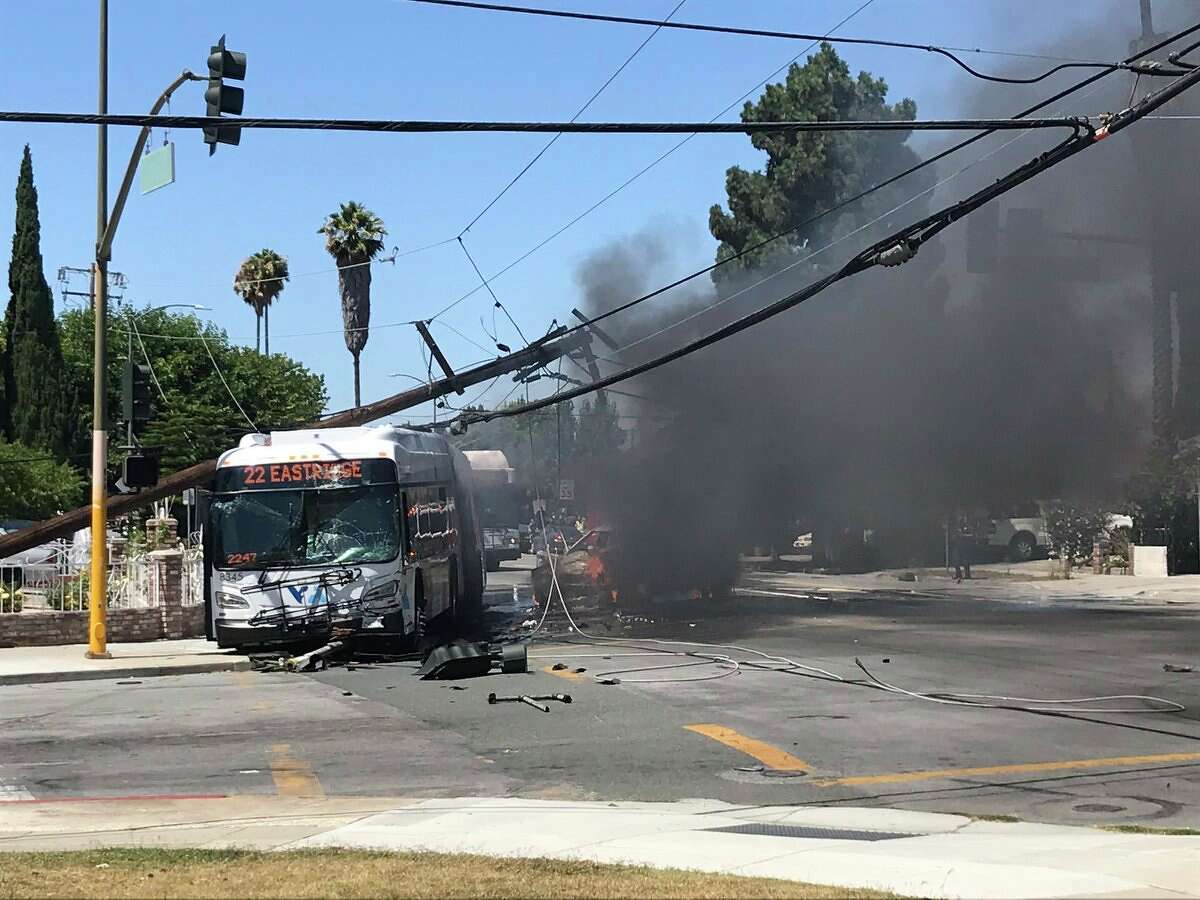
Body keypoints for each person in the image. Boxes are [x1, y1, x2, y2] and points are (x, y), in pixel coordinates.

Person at [950, 513, 974, 582]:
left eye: (962, 518)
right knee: (955, 559)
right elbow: (954, 534)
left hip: (965, 545)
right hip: (957, 545)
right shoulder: (957, 527)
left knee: (965, 560)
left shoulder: (968, 526)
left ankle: (967, 574)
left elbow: (972, 535)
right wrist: (954, 537)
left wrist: (963, 535)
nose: (961, 520)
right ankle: (958, 574)